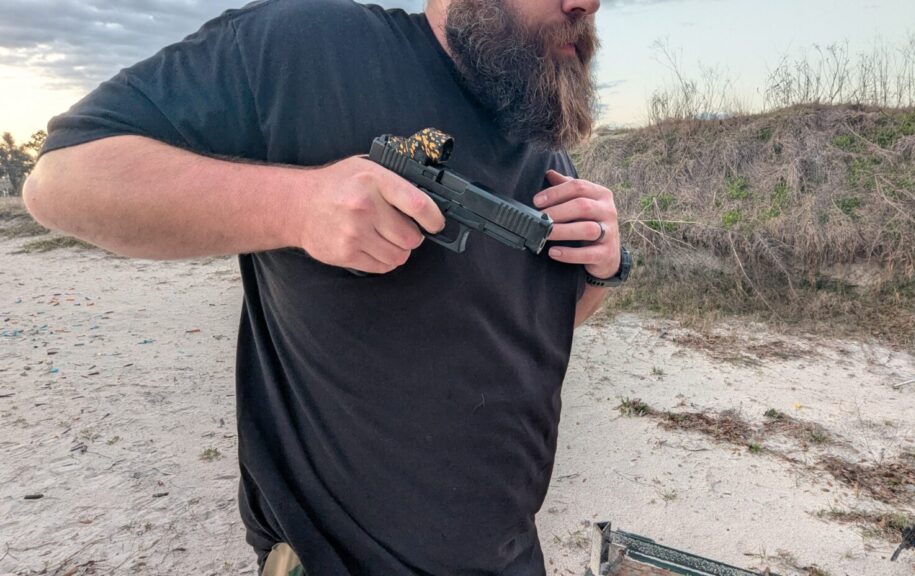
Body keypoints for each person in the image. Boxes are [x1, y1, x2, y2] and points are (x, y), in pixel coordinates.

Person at [23, 0, 630, 573]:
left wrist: (602, 266)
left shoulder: (541, 143)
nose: (589, 3)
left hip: (511, 555)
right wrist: (296, 205)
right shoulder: (307, 45)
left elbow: (525, 326)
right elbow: (61, 179)